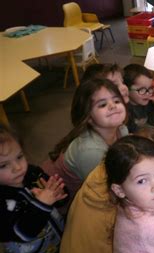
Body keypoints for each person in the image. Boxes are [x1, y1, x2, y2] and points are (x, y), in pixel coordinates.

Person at [0, 125, 67, 253]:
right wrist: (43, 203)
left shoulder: (32, 173)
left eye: (19, 157)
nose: (17, 168)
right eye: (3, 165)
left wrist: (58, 195)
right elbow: (23, 232)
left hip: (58, 243)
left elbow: (57, 195)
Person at [44, 78, 128, 208]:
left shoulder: (121, 129)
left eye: (117, 101)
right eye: (102, 105)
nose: (113, 106)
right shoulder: (91, 151)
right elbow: (107, 192)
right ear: (88, 117)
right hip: (65, 204)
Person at [123, 63, 154, 135]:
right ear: (126, 89)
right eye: (142, 90)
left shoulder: (148, 100)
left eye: (150, 88)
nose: (148, 93)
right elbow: (133, 134)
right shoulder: (125, 111)